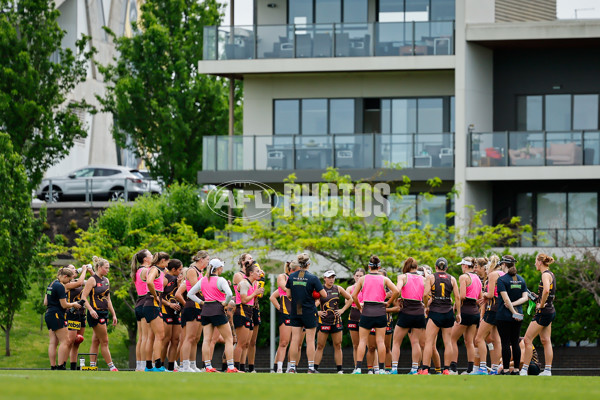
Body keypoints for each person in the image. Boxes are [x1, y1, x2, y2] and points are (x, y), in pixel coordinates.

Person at [188, 258, 241, 373]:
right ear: (218, 268)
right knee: (229, 338)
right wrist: (225, 303)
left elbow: (190, 293)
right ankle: (231, 367)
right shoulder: (220, 280)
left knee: (206, 339)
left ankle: (208, 366)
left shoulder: (203, 280)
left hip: (206, 310)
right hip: (218, 310)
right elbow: (229, 294)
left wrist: (201, 302)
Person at [351, 255, 399, 375]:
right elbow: (396, 291)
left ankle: (358, 368)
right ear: (379, 267)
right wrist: (387, 303)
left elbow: (354, 295)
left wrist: (358, 306)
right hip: (380, 311)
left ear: (369, 267)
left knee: (362, 341)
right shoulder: (384, 279)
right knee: (380, 341)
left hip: (367, 310)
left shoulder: (363, 279)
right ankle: (382, 369)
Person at [285, 253, 327, 373]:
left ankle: (292, 367)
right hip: (309, 310)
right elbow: (323, 294)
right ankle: (310, 368)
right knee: (310, 340)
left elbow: (288, 295)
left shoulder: (291, 277)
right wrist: (314, 293)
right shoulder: (313, 278)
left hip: (296, 309)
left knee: (295, 340)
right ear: (308, 264)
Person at [419, 257, 461, 375]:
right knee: (448, 342)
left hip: (435, 313)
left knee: (429, 342)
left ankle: (425, 369)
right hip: (448, 313)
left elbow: (425, 294)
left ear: (436, 267)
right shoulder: (452, 278)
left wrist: (426, 306)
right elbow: (457, 297)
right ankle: (446, 369)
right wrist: (458, 313)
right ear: (446, 268)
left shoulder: (431, 277)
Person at [521, 253, 556, 376]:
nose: (535, 264)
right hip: (550, 311)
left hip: (543, 312)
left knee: (527, 339)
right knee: (546, 340)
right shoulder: (551, 274)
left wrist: (540, 304)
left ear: (540, 262)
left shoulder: (545, 275)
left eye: (536, 261)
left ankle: (524, 370)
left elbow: (546, 290)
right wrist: (538, 298)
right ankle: (547, 370)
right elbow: (552, 294)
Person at [81, 256, 118, 371]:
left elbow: (108, 299)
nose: (108, 270)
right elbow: (83, 297)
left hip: (104, 313)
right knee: (105, 340)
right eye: (106, 268)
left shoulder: (106, 280)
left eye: (108, 268)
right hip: (95, 313)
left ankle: (92, 366)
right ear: (99, 267)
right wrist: (91, 310)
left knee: (96, 340)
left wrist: (114, 314)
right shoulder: (92, 280)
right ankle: (112, 366)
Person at [391, 257, 426, 375]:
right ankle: (414, 369)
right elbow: (427, 294)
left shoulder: (403, 277)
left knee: (396, 342)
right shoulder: (424, 279)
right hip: (419, 311)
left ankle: (394, 368)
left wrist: (395, 300)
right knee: (415, 342)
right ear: (416, 267)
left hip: (406, 311)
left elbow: (397, 290)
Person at [314, 270, 352, 374]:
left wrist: (342, 310)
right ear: (324, 278)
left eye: (333, 277)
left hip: (336, 321)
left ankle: (340, 370)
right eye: (329, 277)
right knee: (320, 346)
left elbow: (350, 299)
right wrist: (317, 312)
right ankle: (314, 369)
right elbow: (312, 303)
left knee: (338, 345)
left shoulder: (338, 288)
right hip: (324, 321)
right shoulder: (320, 289)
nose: (331, 279)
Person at [44, 267, 83, 370]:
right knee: (65, 341)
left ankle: (53, 366)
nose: (69, 282)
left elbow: (45, 302)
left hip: (48, 313)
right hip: (57, 314)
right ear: (65, 276)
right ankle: (61, 366)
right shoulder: (60, 287)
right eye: (69, 280)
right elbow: (64, 305)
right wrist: (74, 304)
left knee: (53, 342)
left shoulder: (51, 284)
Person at [495, 255, 528, 375]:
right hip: (518, 315)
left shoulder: (502, 280)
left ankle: (506, 369)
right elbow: (525, 298)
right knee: (515, 342)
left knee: (505, 342)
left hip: (504, 315)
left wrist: (512, 309)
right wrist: (516, 311)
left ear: (504, 264)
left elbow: (505, 299)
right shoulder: (521, 279)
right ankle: (517, 370)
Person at [449, 257, 482, 375]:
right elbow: (480, 297)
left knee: (452, 338)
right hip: (475, 312)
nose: (461, 267)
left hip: (465, 310)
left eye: (462, 265)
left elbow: (462, 296)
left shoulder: (464, 277)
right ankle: (470, 369)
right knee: (469, 342)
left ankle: (453, 367)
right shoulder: (478, 278)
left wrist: (456, 307)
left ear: (466, 266)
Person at [179, 250, 209, 372]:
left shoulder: (201, 272)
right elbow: (197, 288)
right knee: (189, 337)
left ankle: (192, 364)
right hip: (192, 305)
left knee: (196, 338)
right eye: (207, 259)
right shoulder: (192, 270)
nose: (208, 262)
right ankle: (184, 365)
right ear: (201, 259)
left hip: (199, 305)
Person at [474, 255, 504, 375]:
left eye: (486, 267)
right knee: (497, 340)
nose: (486, 270)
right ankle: (495, 368)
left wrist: (484, 295)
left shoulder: (493, 275)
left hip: (492, 308)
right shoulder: (502, 274)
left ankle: (482, 368)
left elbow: (491, 294)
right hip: (501, 309)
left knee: (478, 338)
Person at [233, 261, 263, 371]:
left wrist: (257, 292)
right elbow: (244, 300)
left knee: (246, 343)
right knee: (241, 343)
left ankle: (242, 367)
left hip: (249, 312)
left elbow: (252, 299)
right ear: (250, 273)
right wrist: (255, 293)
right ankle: (235, 367)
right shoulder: (244, 283)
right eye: (257, 271)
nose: (259, 273)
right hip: (242, 311)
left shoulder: (254, 283)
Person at [142, 251, 170, 371]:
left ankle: (149, 366)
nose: (168, 264)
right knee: (160, 335)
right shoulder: (155, 270)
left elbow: (160, 283)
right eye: (167, 261)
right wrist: (155, 295)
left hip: (150, 304)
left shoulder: (159, 270)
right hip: (152, 303)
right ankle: (158, 365)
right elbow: (149, 282)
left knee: (151, 336)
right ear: (163, 261)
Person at [65, 264, 91, 370]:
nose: (75, 270)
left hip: (82, 314)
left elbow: (90, 283)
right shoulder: (68, 283)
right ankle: (62, 364)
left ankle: (73, 366)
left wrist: (90, 271)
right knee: (70, 341)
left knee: (78, 341)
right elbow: (79, 283)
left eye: (75, 268)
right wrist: (84, 270)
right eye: (72, 268)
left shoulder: (79, 280)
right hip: (73, 314)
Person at [131, 249, 153, 371]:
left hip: (139, 303)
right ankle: (145, 365)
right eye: (150, 255)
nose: (152, 256)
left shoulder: (137, 271)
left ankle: (139, 365)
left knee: (141, 337)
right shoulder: (146, 271)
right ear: (145, 259)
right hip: (146, 302)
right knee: (147, 337)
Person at [270, 261, 293, 373]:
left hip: (298, 313)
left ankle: (291, 368)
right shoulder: (283, 277)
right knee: (284, 342)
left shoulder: (300, 278)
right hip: (286, 313)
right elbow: (275, 295)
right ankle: (279, 368)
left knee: (296, 344)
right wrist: (280, 308)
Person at [160, 259, 183, 371]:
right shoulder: (165, 279)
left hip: (176, 312)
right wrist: (169, 304)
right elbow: (158, 296)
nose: (181, 271)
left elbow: (179, 294)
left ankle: (171, 366)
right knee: (166, 339)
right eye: (179, 269)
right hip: (166, 311)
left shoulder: (179, 279)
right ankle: (159, 365)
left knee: (175, 340)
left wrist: (179, 284)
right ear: (173, 269)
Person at [346, 268, 366, 366]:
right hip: (354, 315)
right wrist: (359, 304)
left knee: (370, 345)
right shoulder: (350, 288)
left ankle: (373, 369)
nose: (358, 277)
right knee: (355, 345)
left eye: (360, 275)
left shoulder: (367, 287)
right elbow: (347, 302)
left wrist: (360, 304)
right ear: (354, 276)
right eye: (357, 275)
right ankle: (356, 367)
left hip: (365, 315)